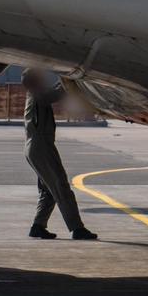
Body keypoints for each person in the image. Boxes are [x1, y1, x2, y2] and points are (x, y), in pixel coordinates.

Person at [22, 68, 97, 241]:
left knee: (49, 191)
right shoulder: (37, 93)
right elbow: (57, 93)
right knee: (61, 187)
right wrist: (72, 78)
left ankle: (38, 226)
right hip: (41, 146)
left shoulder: (35, 94)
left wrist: (66, 81)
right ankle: (77, 228)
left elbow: (54, 92)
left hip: (36, 146)